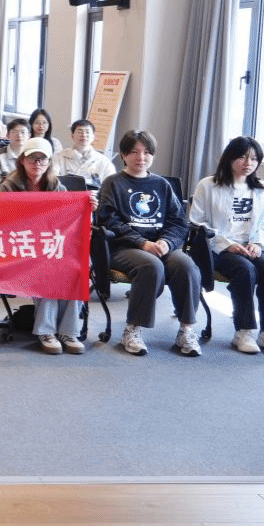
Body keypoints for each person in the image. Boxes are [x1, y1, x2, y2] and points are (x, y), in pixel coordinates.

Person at [97, 130, 202, 357]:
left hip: (159, 245)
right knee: (150, 266)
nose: (141, 158)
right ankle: (133, 329)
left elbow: (178, 221)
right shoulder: (113, 183)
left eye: (146, 152)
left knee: (186, 265)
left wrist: (167, 242)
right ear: (124, 155)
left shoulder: (161, 184)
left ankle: (186, 329)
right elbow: (108, 221)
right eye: (134, 152)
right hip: (123, 247)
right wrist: (141, 242)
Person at [189, 136, 264, 356]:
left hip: (252, 246)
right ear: (230, 158)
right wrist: (227, 244)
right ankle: (244, 332)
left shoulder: (263, 188)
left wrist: (258, 243)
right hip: (218, 248)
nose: (248, 163)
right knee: (245, 269)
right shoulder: (208, 185)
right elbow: (197, 222)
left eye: (254, 159)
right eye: (242, 157)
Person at [0, 138, 85, 354]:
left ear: (49, 162)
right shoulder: (9, 186)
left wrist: (89, 206)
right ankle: (46, 331)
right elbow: (0, 222)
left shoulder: (57, 187)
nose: (37, 163)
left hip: (50, 245)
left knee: (78, 265)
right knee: (49, 265)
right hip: (20, 247)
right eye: (32, 158)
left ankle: (68, 331)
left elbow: (70, 218)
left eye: (42, 159)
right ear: (22, 161)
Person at [52, 119, 114, 189]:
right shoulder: (59, 157)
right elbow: (52, 179)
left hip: (93, 195)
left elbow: (111, 185)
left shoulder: (103, 161)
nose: (83, 135)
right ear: (72, 136)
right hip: (65, 195)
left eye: (87, 132)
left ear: (93, 137)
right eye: (79, 132)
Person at [0, 117, 30, 183]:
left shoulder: (33, 155)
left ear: (29, 136)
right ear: (8, 135)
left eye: (23, 132)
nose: (19, 135)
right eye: (15, 132)